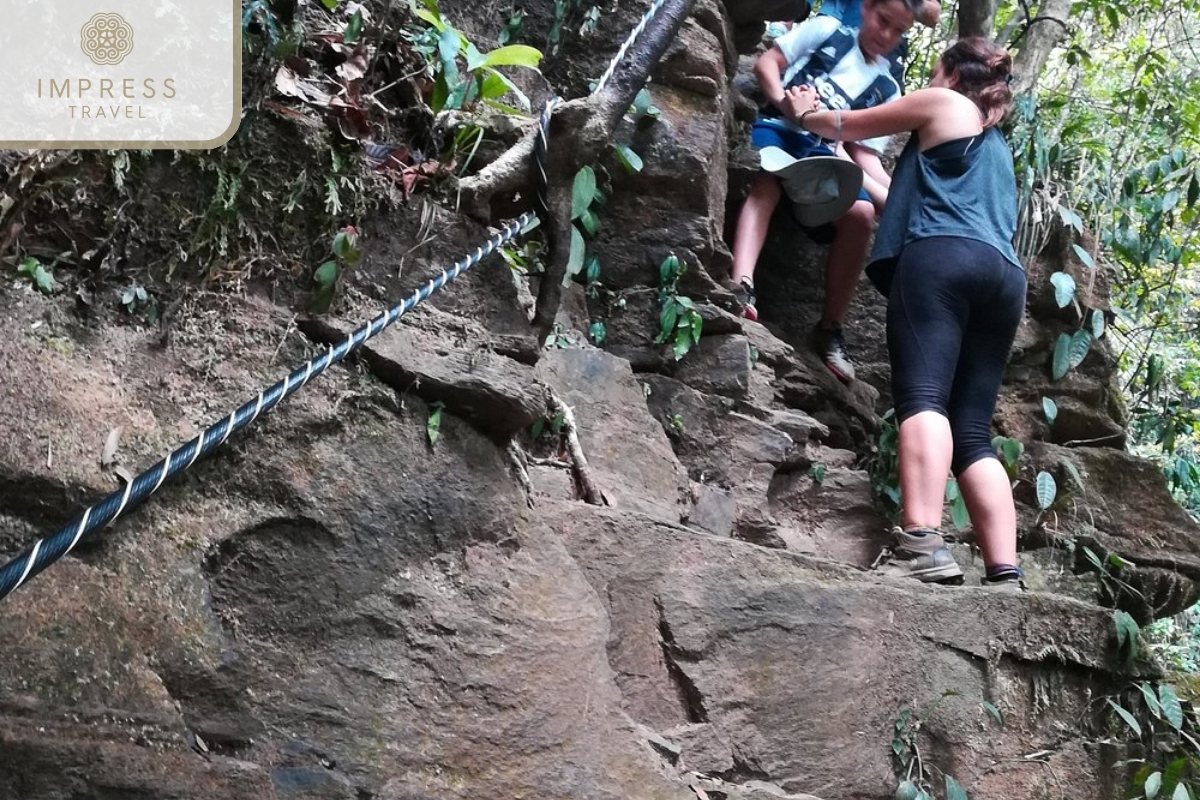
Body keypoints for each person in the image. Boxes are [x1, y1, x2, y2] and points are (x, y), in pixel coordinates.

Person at [791, 38, 1025, 589]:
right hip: (1002, 278)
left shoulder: (944, 103)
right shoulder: (991, 148)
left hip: (942, 260)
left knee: (923, 397)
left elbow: (849, 123)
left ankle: (921, 544)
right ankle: (1005, 571)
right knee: (972, 431)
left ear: (949, 71)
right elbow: (896, 190)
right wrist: (848, 155)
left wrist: (807, 113)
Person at [729, 0, 924, 383]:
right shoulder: (826, 31)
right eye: (883, 21)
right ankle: (741, 284)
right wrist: (786, 104)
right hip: (778, 128)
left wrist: (903, 207)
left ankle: (831, 328)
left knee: (862, 215)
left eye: (898, 30)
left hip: (823, 153)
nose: (886, 35)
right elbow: (768, 65)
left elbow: (863, 157)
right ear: (867, 8)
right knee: (767, 178)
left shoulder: (888, 88)